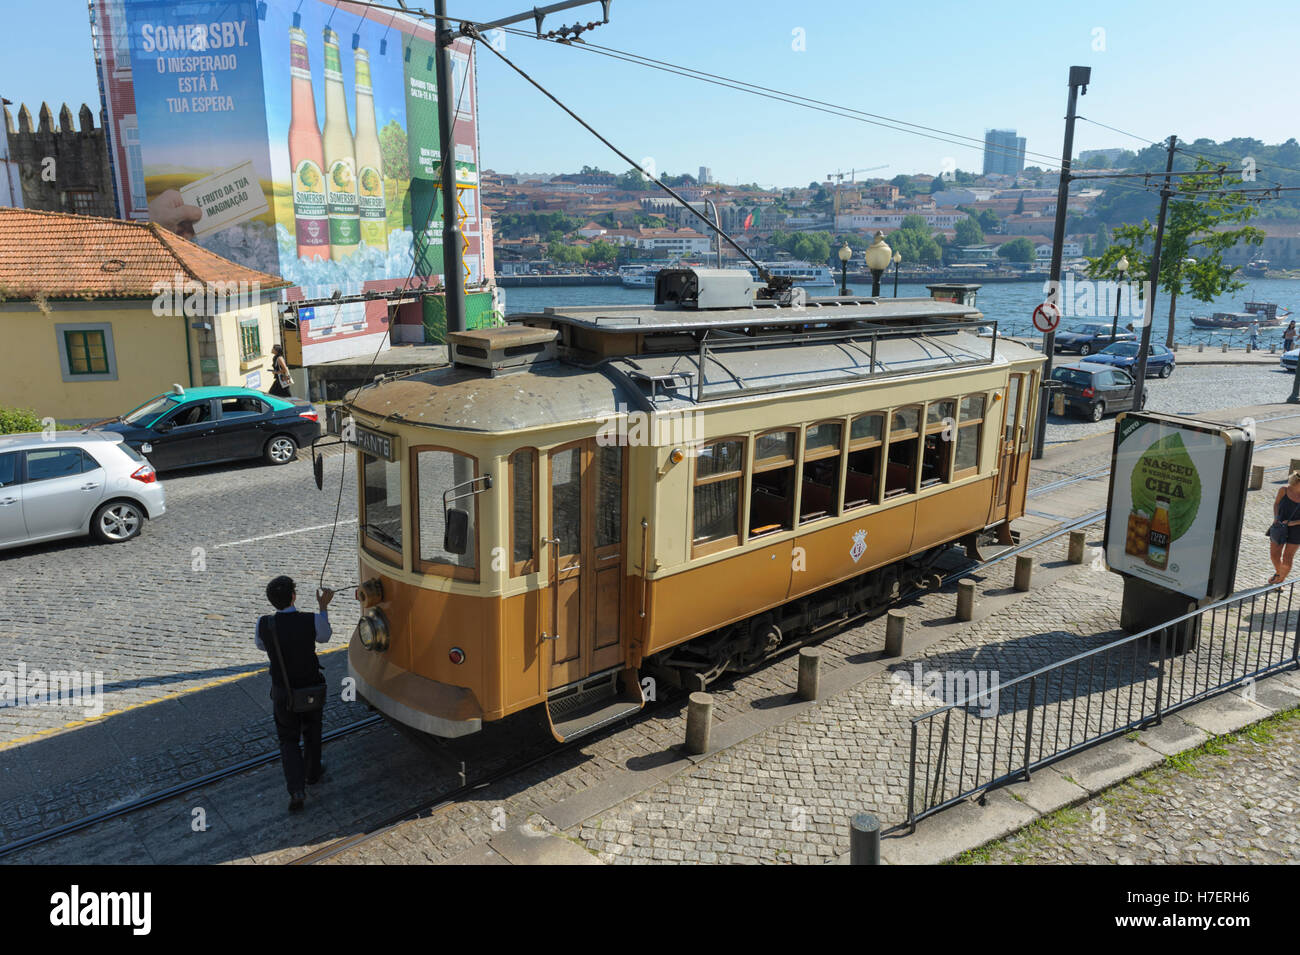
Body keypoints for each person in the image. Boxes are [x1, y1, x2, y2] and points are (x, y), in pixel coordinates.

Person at [257, 576, 334, 812]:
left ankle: (296, 789)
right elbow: (325, 636)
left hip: (283, 691)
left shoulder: (264, 624)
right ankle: (312, 773)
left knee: (288, 739)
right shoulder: (310, 620)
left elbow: (261, 645)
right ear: (294, 596)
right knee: (312, 730)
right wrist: (323, 607)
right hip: (310, 687)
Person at [1267, 472, 1300, 585]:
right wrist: (1276, 517)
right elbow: (1276, 504)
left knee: (1287, 557)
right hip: (1279, 526)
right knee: (1274, 555)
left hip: (1297, 530)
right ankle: (1278, 573)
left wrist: (1293, 522)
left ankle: (1280, 581)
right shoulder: (1284, 490)